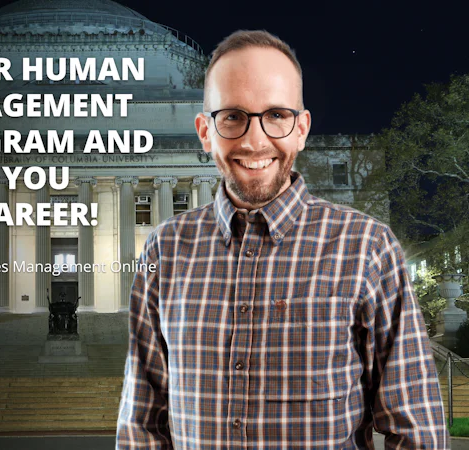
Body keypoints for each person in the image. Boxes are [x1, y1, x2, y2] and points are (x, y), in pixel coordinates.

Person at [116, 30, 448, 448]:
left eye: (275, 115)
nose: (255, 141)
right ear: (204, 131)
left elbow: (417, 428)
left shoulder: (367, 246)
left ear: (302, 128)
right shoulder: (163, 248)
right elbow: (141, 425)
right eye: (232, 116)